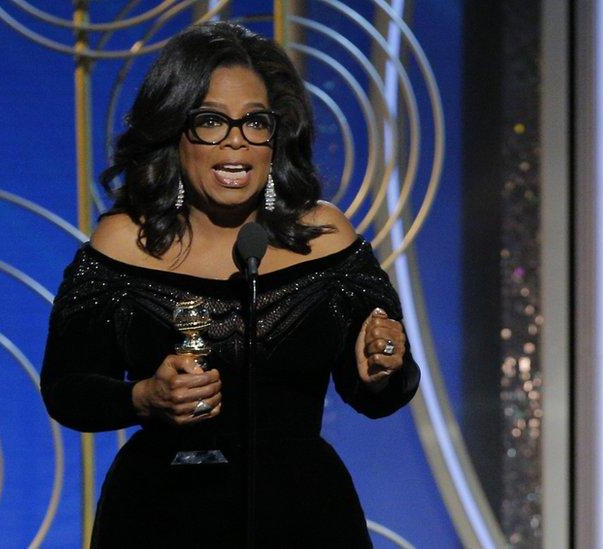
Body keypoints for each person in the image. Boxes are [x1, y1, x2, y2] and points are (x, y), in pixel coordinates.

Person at [40, 22, 420, 548]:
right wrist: (145, 396)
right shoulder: (125, 242)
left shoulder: (325, 237)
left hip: (303, 519)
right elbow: (67, 390)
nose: (236, 141)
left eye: (255, 123)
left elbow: (380, 394)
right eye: (212, 121)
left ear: (276, 136)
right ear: (175, 131)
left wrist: (384, 366)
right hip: (158, 519)